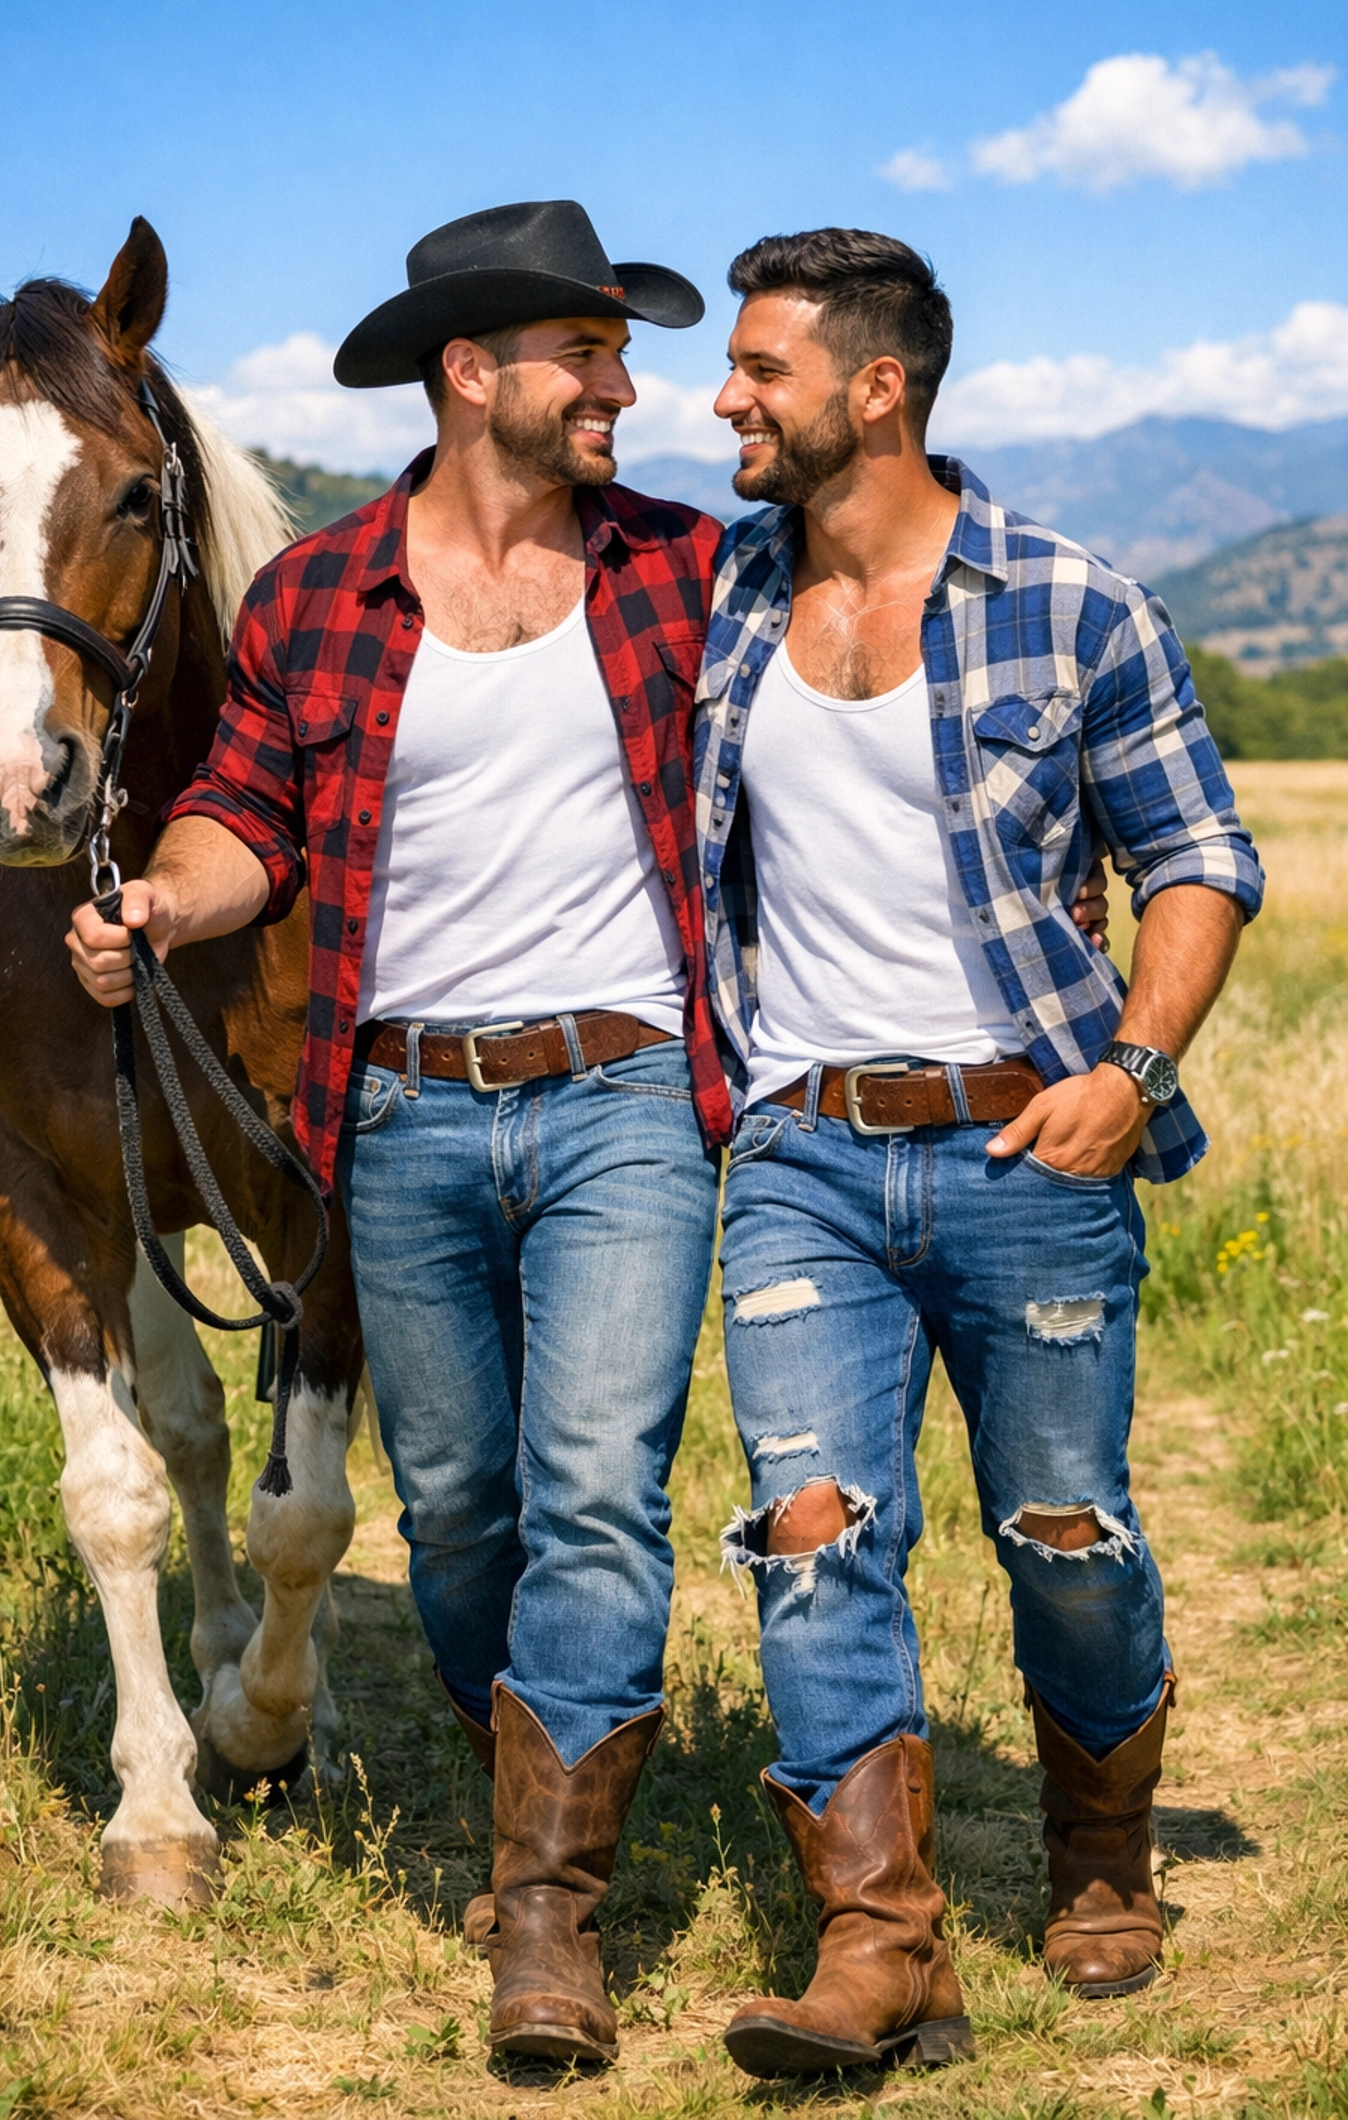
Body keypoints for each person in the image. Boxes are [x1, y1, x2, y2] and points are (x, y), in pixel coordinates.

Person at [67, 200, 733, 2067]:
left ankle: (547, 1908)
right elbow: (242, 816)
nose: (620, 387)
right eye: (586, 352)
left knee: (595, 1487)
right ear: (470, 372)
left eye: (621, 353)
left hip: (627, 1092)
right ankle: (545, 1762)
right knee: (455, 1513)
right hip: (406, 1112)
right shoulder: (318, 596)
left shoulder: (685, 570)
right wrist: (166, 902)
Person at [694, 228, 1264, 2080]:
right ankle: (881, 1941)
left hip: (1028, 1145)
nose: (726, 397)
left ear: (877, 389)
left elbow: (1198, 855)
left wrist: (1134, 1068)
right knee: (811, 1534)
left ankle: (1101, 1847)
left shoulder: (1076, 602)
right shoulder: (723, 594)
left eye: (761, 369)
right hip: (805, 1149)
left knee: (1065, 1534)